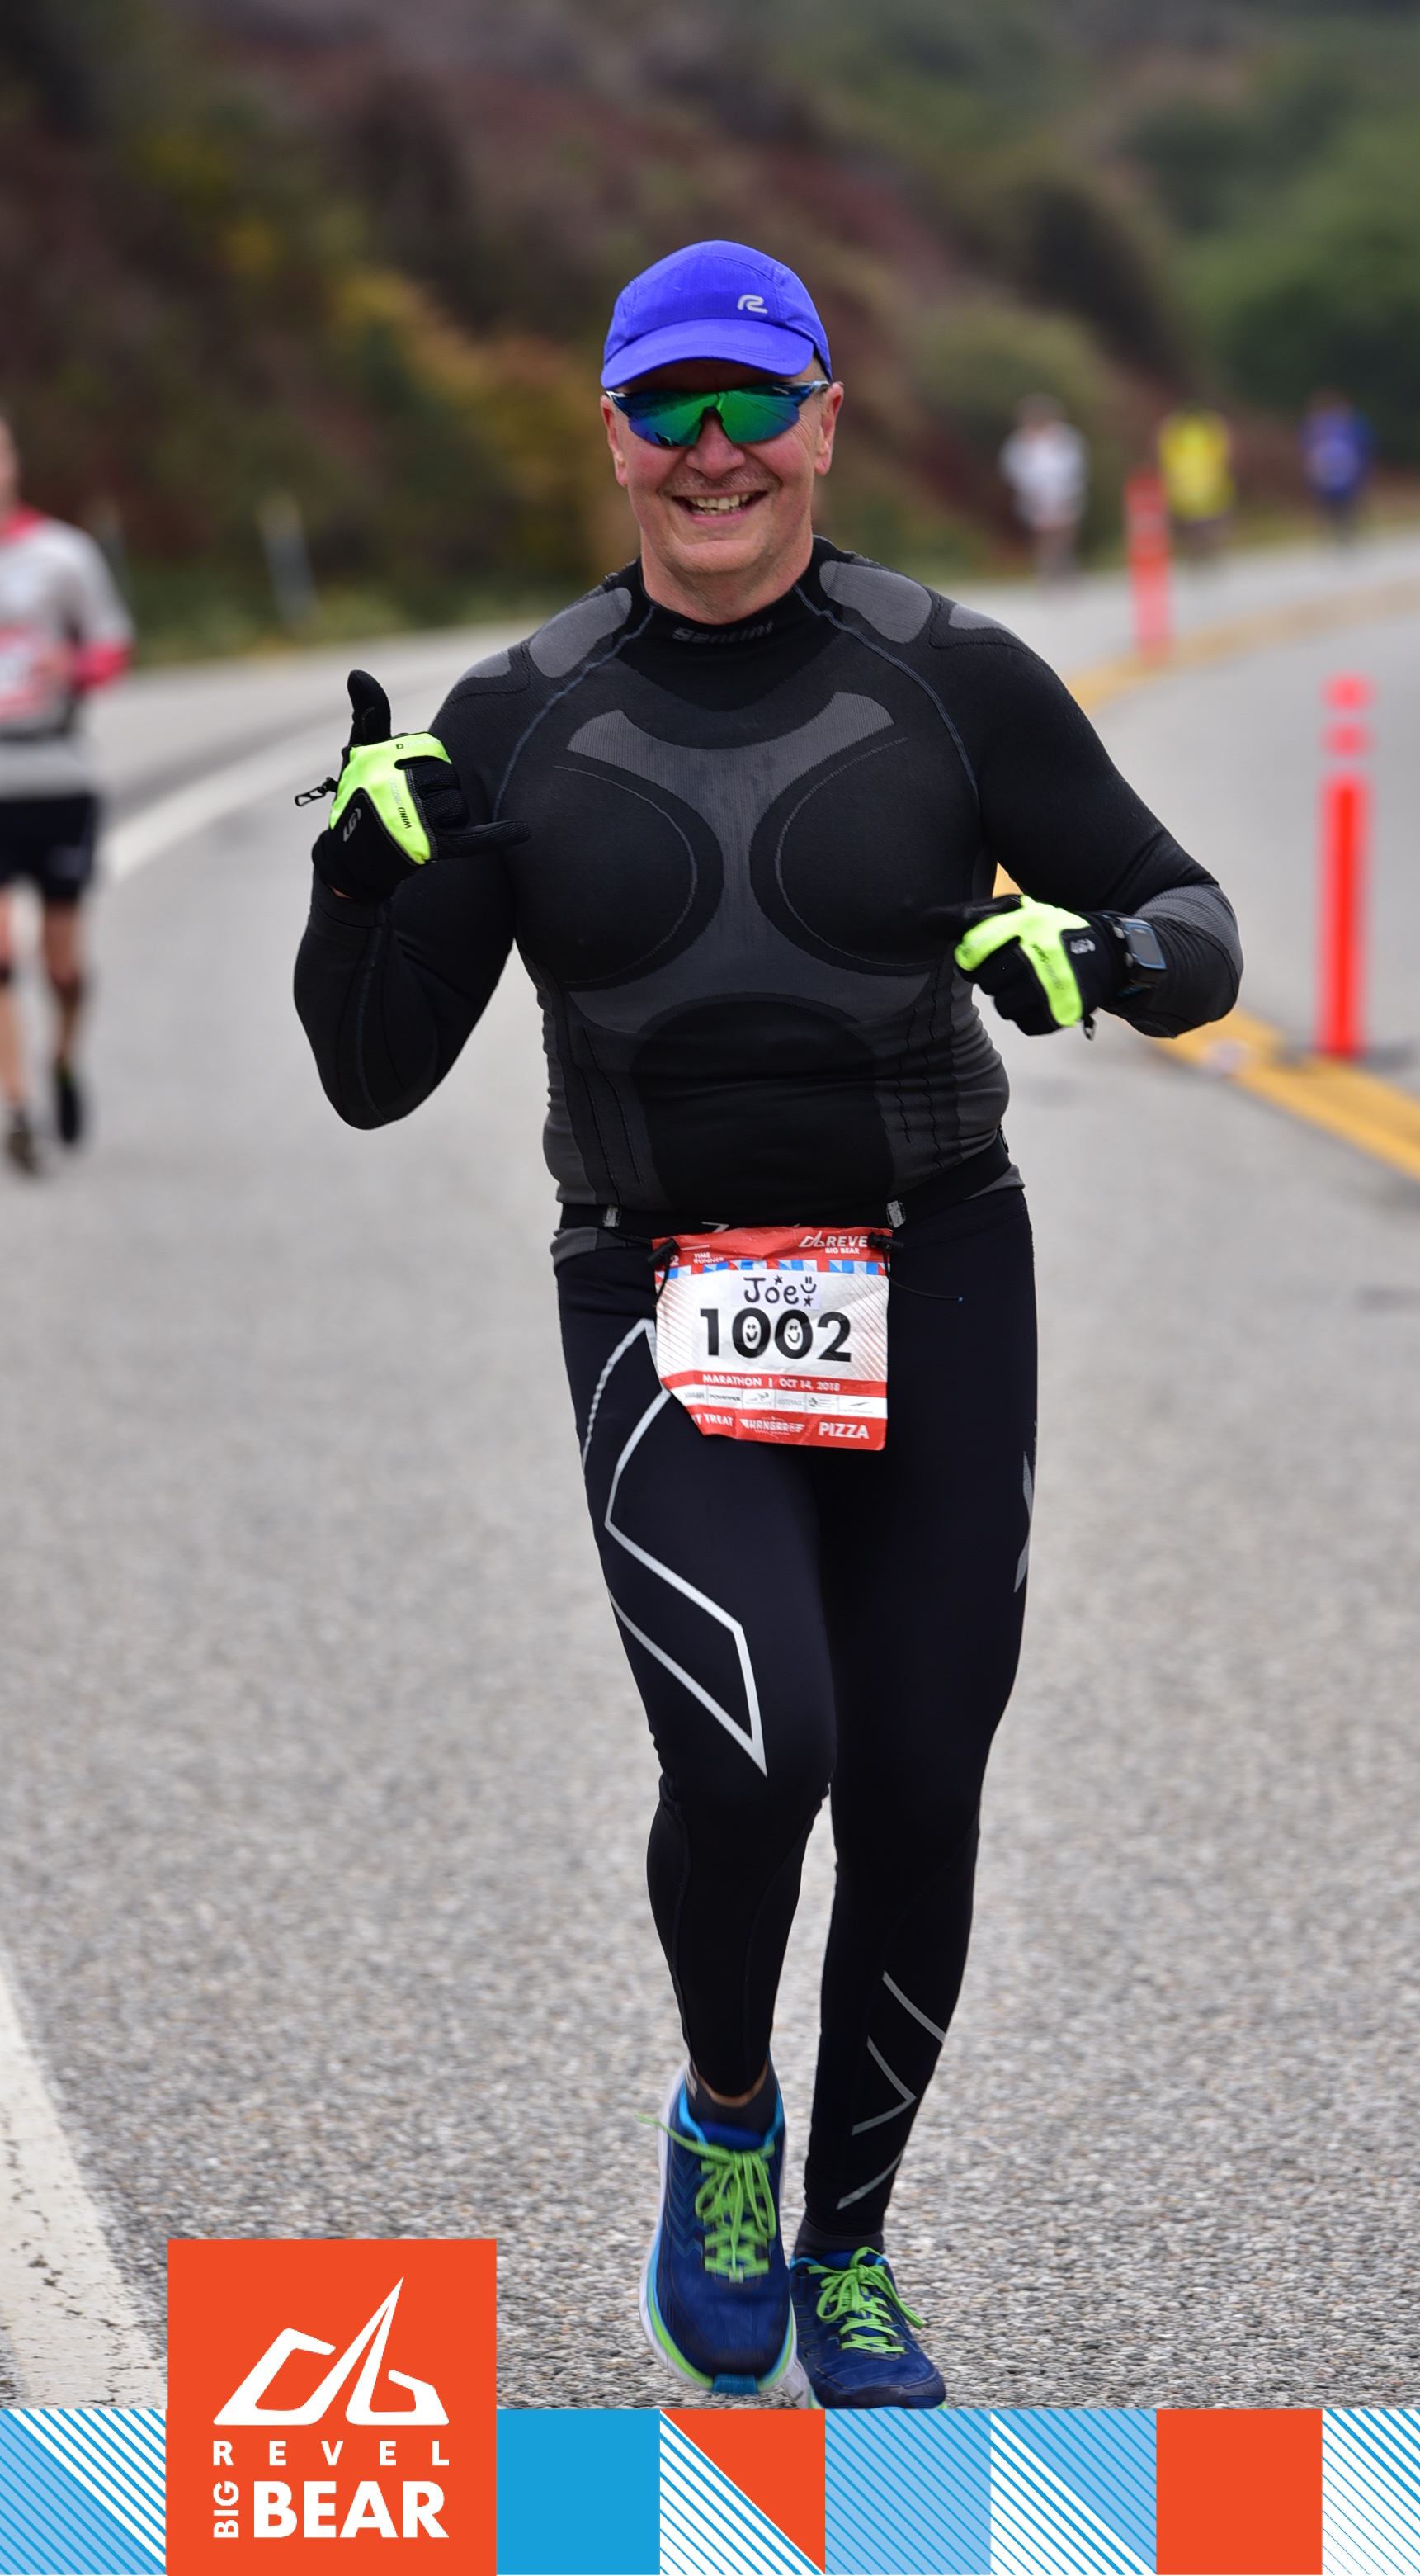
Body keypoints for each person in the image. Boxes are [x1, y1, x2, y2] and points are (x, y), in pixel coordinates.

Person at [293, 239, 1241, 2409]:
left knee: (912, 1780)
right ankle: (729, 2119)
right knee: (755, 1749)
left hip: (938, 1266)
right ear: (612, 436)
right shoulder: (519, 716)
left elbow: (1191, 919)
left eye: (750, 406)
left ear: (822, 420)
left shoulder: (953, 679)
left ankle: (852, 2246)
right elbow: (368, 1071)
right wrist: (364, 880)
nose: (710, 453)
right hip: (657, 1284)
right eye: (667, 410)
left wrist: (1099, 963)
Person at [0, 404, 133, 1173]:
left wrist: (73, 668)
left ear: (14, 460)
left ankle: (62, 1060)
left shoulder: (63, 555)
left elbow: (113, 646)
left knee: (60, 967)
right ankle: (18, 1107)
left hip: (57, 776)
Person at [998, 395, 1088, 583]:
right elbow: (1014, 470)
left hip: (1065, 493)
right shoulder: (1019, 442)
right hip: (1034, 496)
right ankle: (1047, 570)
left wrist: (1068, 490)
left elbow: (1076, 465)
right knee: (1043, 535)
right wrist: (1031, 491)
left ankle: (1065, 565)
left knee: (1065, 532)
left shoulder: (1066, 437)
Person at [1157, 403, 1235, 557]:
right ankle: (1209, 548)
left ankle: (1198, 550)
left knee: (1192, 529)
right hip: (1211, 491)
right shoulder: (1210, 433)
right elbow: (1226, 450)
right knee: (1213, 526)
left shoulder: (1174, 437)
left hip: (1184, 495)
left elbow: (1163, 455)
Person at [1301, 390, 1374, 541]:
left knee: (1335, 507)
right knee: (1348, 505)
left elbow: (1307, 451)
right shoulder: (1350, 423)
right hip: (1347, 474)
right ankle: (1347, 533)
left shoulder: (1314, 427)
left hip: (1327, 476)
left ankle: (1339, 533)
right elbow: (1366, 445)